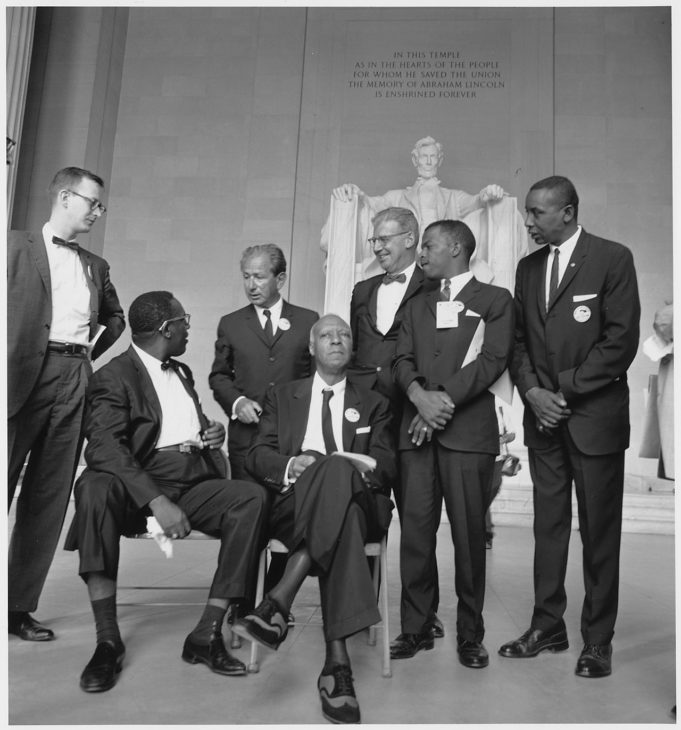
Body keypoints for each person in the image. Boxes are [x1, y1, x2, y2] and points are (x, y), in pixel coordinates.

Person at [64, 291, 267, 692]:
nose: (188, 328)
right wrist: (157, 501)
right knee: (95, 488)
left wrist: (209, 431)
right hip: (139, 481)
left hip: (191, 476)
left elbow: (169, 421)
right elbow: (104, 445)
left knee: (252, 497)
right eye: (183, 321)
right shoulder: (113, 375)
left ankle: (206, 634)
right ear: (166, 329)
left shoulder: (183, 372)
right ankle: (107, 642)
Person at [499, 175, 640, 679]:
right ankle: (547, 626)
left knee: (599, 534)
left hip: (593, 421)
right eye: (528, 212)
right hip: (544, 421)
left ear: (568, 211)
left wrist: (561, 388)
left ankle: (597, 641)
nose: (529, 221)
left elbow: (620, 342)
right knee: (549, 528)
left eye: (537, 213)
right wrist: (534, 393)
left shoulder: (612, 258)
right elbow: (517, 342)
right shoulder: (528, 267)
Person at [234, 314, 395, 724]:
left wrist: (343, 468)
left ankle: (278, 599)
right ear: (311, 347)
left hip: (362, 499)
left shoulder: (375, 402)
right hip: (295, 504)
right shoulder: (283, 396)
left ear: (353, 347)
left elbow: (387, 467)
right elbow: (258, 455)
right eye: (327, 334)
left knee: (338, 470)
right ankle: (336, 666)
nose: (336, 340)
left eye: (344, 335)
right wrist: (292, 464)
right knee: (344, 516)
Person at [8, 166, 125, 642]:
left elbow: (115, 318)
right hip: (18, 377)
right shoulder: (13, 246)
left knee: (48, 496)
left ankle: (17, 607)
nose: (97, 212)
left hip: (75, 376)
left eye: (101, 205)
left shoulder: (96, 265)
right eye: (92, 202)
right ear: (63, 197)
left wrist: (84, 356)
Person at [390, 219, 514, 667]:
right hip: (415, 435)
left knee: (467, 537)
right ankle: (415, 628)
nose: (420, 253)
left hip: (468, 437)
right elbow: (401, 358)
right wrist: (419, 398)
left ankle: (469, 635)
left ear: (457, 247)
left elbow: (495, 359)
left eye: (428, 245)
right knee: (416, 537)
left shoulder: (495, 300)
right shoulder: (417, 303)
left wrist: (441, 403)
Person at [349, 206, 443, 639]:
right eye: (373, 240)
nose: (378, 247)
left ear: (410, 238)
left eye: (384, 238)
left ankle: (422, 617)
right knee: (363, 510)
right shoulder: (362, 289)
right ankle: (358, 606)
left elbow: (445, 350)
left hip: (413, 420)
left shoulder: (436, 285)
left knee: (418, 522)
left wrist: (428, 404)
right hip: (368, 422)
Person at [209, 244, 319, 481]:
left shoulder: (308, 320)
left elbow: (316, 379)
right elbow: (219, 376)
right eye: (246, 277)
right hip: (246, 441)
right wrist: (237, 403)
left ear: (280, 279)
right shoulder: (231, 324)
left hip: (293, 439)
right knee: (247, 509)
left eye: (259, 277)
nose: (251, 285)